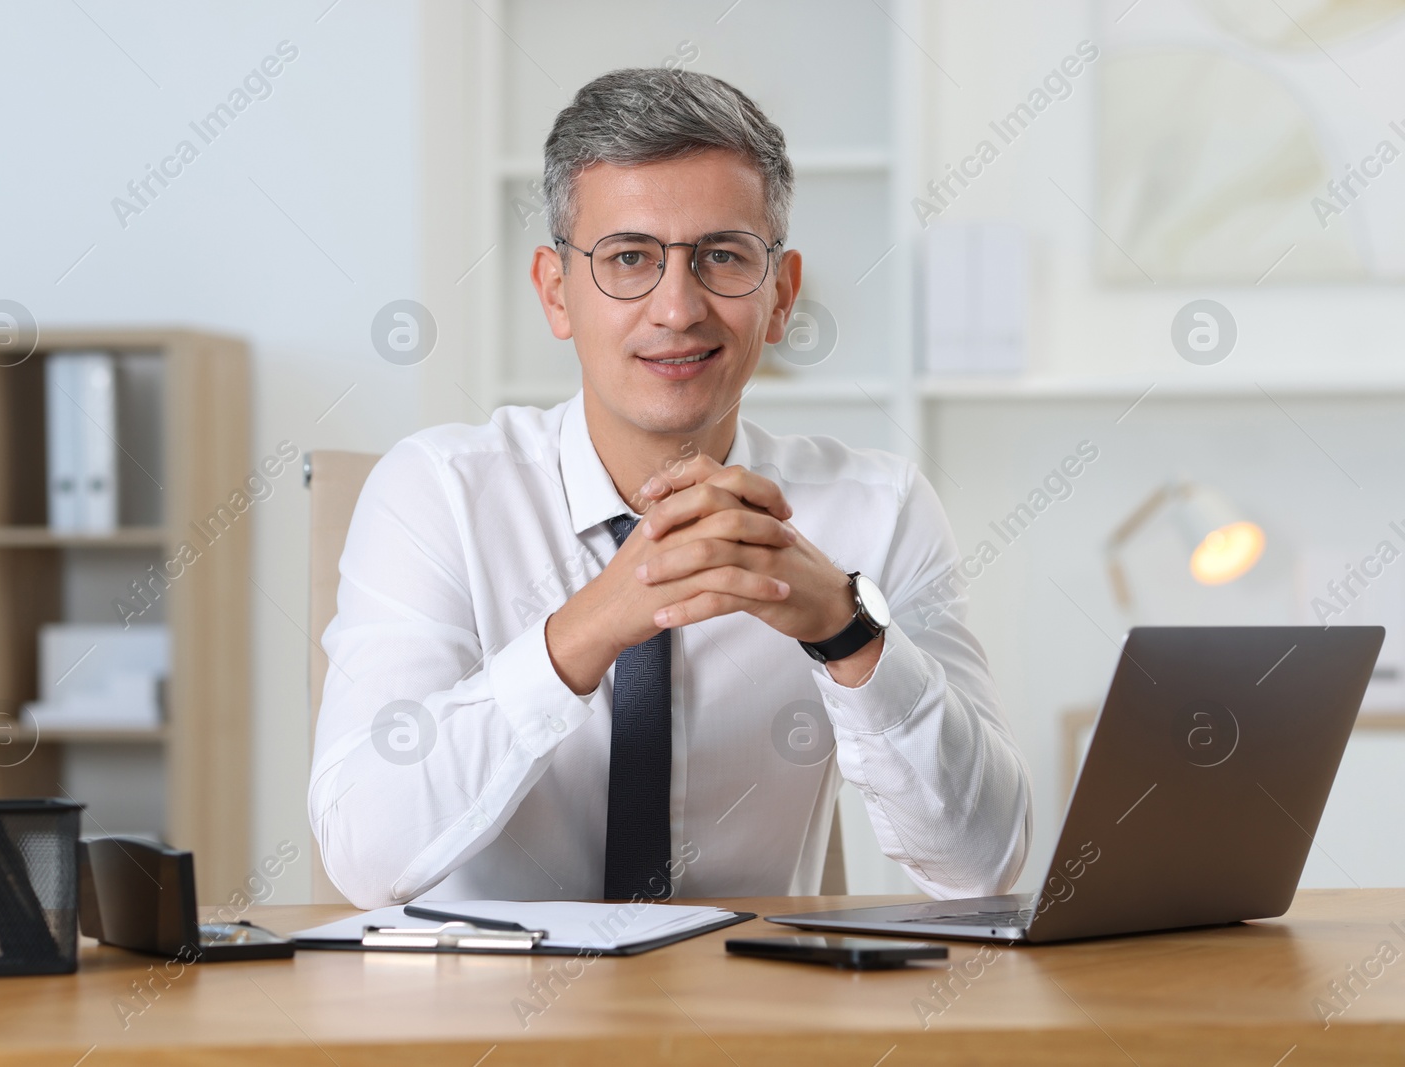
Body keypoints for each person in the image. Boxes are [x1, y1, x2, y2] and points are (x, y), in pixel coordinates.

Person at [310, 68, 1031, 909]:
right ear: (556, 292)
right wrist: (587, 629)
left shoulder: (877, 509)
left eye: (722, 257)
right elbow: (364, 853)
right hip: (484, 1019)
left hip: (749, 1016)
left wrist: (848, 630)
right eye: (628, 259)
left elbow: (982, 865)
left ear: (782, 294)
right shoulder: (435, 491)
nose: (678, 307)